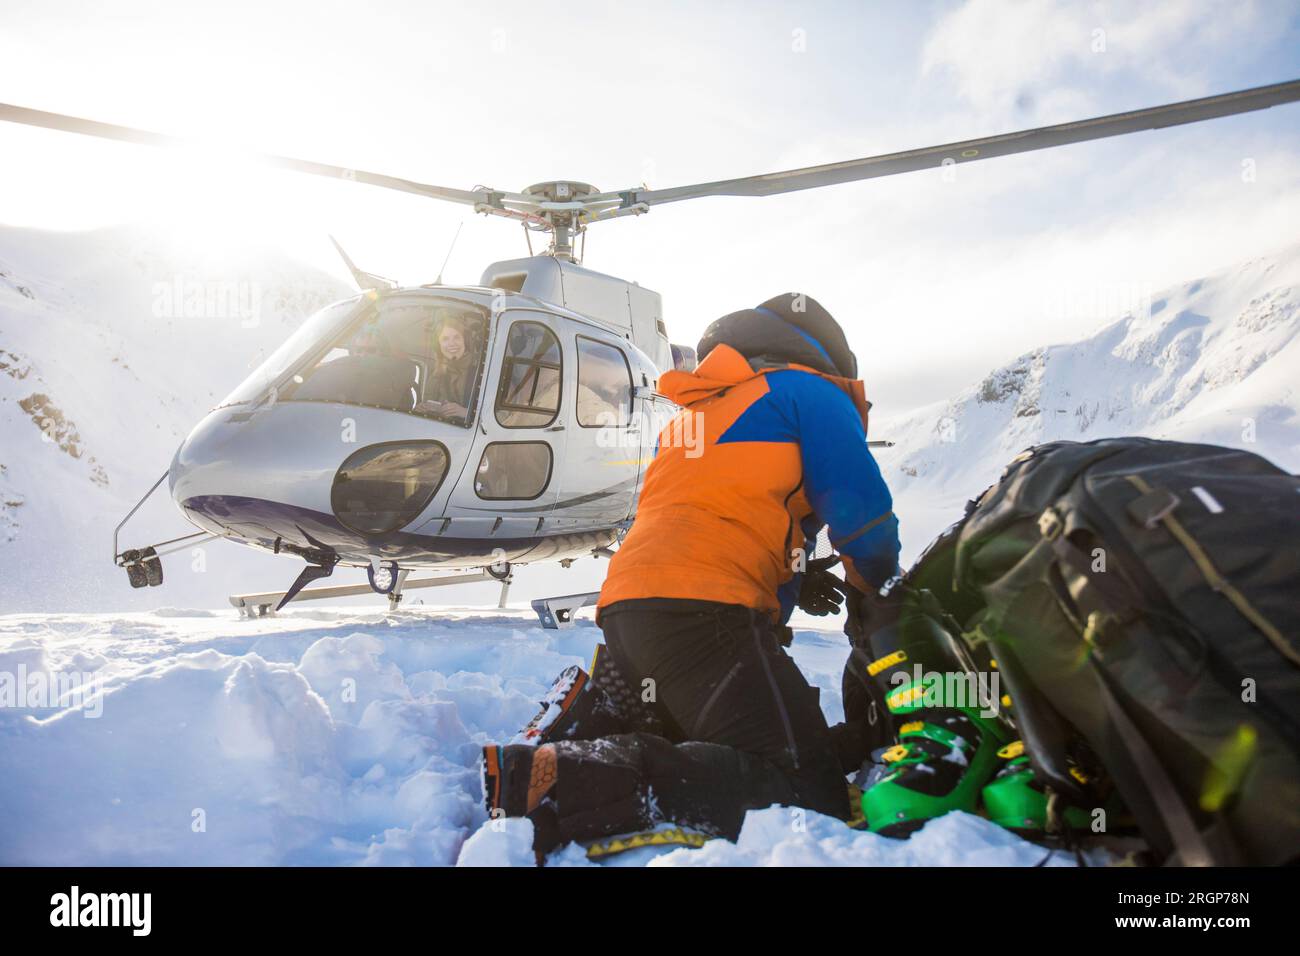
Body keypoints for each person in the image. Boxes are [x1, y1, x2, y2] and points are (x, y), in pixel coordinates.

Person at [481, 292, 901, 855]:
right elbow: (864, 517)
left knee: (700, 736)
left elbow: (715, 514)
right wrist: (874, 597)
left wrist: (798, 569)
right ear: (829, 358)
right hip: (706, 618)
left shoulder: (697, 415)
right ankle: (568, 777)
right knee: (806, 789)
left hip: (631, 613)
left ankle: (590, 716)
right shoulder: (812, 391)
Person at [416, 315, 478, 420]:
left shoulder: (482, 370)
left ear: (465, 341)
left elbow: (507, 415)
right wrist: (422, 410)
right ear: (439, 345)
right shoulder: (437, 374)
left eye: (456, 337)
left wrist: (467, 413)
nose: (451, 344)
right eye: (445, 339)